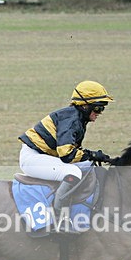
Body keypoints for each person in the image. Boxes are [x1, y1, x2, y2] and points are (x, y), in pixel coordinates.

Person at [18, 80, 114, 227]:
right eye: (98, 108)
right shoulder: (71, 120)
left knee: (86, 165)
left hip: (42, 156)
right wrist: (92, 155)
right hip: (33, 159)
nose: (99, 113)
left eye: (102, 108)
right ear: (84, 106)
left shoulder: (77, 118)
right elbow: (67, 155)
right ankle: (60, 218)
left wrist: (93, 157)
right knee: (73, 172)